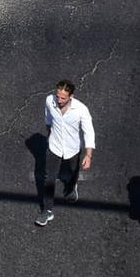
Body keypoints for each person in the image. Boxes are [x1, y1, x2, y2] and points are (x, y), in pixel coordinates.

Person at [34, 79, 95, 226]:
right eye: (58, 96)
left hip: (72, 149)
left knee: (73, 172)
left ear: (71, 96)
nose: (59, 100)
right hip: (54, 147)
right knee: (49, 178)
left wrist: (88, 155)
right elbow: (48, 118)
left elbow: (89, 132)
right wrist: (49, 134)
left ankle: (71, 187)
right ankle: (47, 211)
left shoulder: (81, 110)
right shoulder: (50, 101)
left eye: (63, 98)